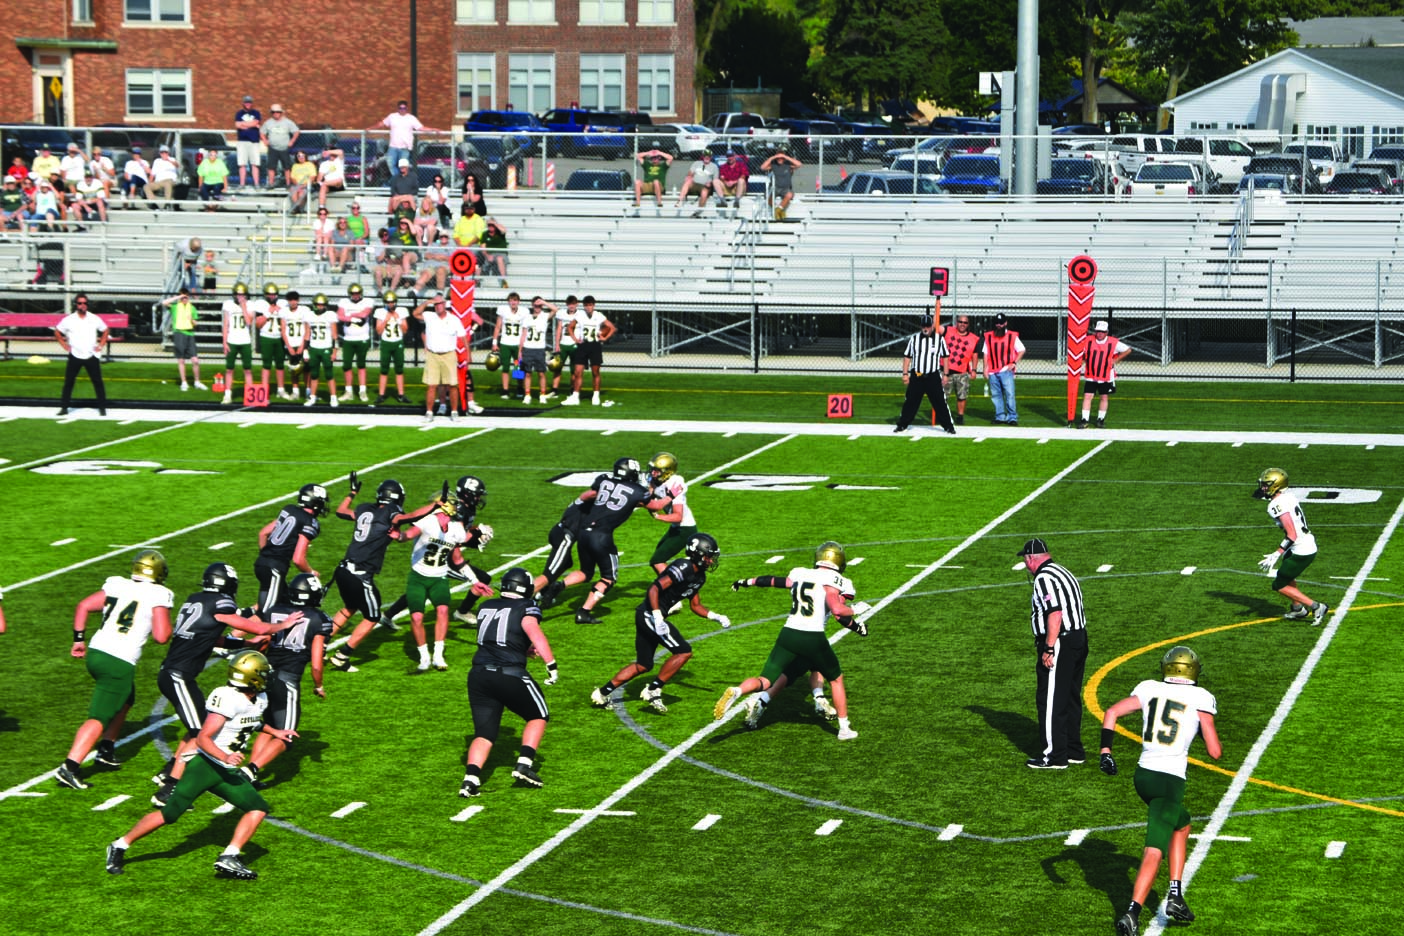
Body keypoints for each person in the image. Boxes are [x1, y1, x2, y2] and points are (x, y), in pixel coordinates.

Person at [104, 650, 294, 881]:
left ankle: (229, 856)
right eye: (263, 673)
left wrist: (275, 731)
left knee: (258, 808)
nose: (268, 676)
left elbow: (251, 721)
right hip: (205, 766)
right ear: (252, 678)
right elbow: (203, 737)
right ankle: (119, 845)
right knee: (169, 814)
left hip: (225, 771)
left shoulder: (258, 698)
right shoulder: (228, 697)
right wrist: (225, 757)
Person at [150, 564, 295, 808]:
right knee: (202, 734)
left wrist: (246, 644)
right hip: (178, 675)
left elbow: (209, 637)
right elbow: (258, 627)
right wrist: (281, 625)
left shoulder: (196, 598)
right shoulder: (220, 603)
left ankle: (170, 769)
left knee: (199, 725)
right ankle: (169, 788)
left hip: (176, 674)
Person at [1100, 646, 1221, 936]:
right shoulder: (1201, 697)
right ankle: (1132, 913)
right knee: (1154, 849)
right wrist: (1200, 726)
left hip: (1143, 777)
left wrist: (1106, 751)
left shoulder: (1149, 688)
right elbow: (1215, 752)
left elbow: (1112, 712)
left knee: (1183, 823)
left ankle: (1176, 894)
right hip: (1169, 781)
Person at [715, 541, 865, 740]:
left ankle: (738, 690)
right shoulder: (838, 581)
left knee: (765, 680)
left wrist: (747, 581)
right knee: (836, 679)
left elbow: (773, 581)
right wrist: (856, 613)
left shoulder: (800, 573)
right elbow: (838, 611)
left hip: (788, 634)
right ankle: (844, 728)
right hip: (812, 636)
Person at [55, 550, 174, 791]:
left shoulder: (117, 584)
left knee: (127, 697)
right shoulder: (160, 594)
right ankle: (70, 766)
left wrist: (78, 640)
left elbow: (83, 606)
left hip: (97, 652)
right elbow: (162, 637)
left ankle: (106, 749)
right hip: (119, 660)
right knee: (99, 716)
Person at [591, 533, 725, 714]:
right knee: (684, 651)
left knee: (643, 664)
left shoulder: (699, 576)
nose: (711, 561)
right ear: (697, 554)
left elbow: (695, 605)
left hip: (649, 615)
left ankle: (602, 693)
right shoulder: (683, 566)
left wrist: (715, 616)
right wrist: (657, 616)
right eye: (708, 557)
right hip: (649, 615)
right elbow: (654, 588)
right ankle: (653, 689)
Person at [459, 568, 558, 797]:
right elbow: (533, 631)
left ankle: (470, 780)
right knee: (538, 715)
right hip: (509, 673)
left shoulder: (486, 606)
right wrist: (551, 663)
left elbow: (497, 635)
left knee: (484, 733)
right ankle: (524, 764)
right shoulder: (526, 606)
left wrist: (523, 649)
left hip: (479, 674)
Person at [326, 477, 441, 672]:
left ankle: (320, 645)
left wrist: (352, 494)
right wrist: (435, 505)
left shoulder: (365, 508)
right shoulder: (390, 512)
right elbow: (411, 516)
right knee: (373, 616)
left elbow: (340, 511)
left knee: (350, 607)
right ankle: (342, 656)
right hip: (360, 572)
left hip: (343, 569)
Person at [243, 573, 333, 786]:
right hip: (288, 679)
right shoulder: (319, 618)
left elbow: (261, 641)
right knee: (287, 735)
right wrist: (318, 685)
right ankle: (249, 770)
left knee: (270, 725)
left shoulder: (274, 610)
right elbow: (317, 663)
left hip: (265, 676)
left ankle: (251, 775)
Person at [570, 458, 674, 625]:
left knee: (585, 572)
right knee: (608, 578)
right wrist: (671, 496)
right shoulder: (637, 490)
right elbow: (655, 506)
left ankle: (558, 586)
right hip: (601, 536)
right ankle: (584, 611)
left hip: (583, 533)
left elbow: (593, 495)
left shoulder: (604, 480)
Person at [1018, 537, 1088, 769]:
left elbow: (1055, 613)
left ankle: (1054, 756)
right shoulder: (1063, 571)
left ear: (1031, 558)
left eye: (1026, 560)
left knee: (1050, 700)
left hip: (1060, 642)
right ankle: (1073, 750)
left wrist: (1048, 648)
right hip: (1078, 638)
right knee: (1070, 696)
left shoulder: (1044, 578)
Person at [402, 501, 476, 671]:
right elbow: (408, 535)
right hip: (418, 577)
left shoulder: (456, 529)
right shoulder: (428, 521)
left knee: (443, 611)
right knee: (416, 617)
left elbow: (458, 559)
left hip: (439, 577)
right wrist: (398, 535)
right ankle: (424, 656)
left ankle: (438, 655)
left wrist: (475, 581)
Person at [1253, 468, 1329, 624]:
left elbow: (1291, 535)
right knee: (1287, 576)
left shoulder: (1275, 505)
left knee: (1279, 585)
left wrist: (1276, 554)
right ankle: (1298, 609)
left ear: (1276, 485)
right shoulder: (1288, 496)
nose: (1263, 488)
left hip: (1301, 549)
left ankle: (1316, 606)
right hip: (1302, 543)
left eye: (1266, 485)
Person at [253, 483, 326, 614]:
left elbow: (263, 533)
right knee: (267, 614)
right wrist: (311, 572)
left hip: (262, 563)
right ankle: (233, 619)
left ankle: (241, 618)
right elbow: (298, 559)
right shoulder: (310, 522)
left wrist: (265, 557)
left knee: (283, 603)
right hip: (275, 567)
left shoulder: (289, 509)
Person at [894, 308, 956, 434]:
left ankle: (948, 426)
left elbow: (945, 356)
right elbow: (907, 356)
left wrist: (946, 374)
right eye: (923, 326)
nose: (925, 328)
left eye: (928, 326)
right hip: (917, 375)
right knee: (911, 401)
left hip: (933, 376)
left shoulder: (939, 339)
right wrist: (905, 374)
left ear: (932, 326)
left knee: (940, 402)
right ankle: (902, 424)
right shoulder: (914, 339)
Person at [532, 493, 594, 609]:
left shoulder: (581, 502)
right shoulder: (588, 499)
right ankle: (517, 601)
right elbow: (589, 494)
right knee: (548, 575)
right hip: (565, 537)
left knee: (566, 563)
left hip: (559, 531)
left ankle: (542, 592)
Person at [414, 291, 468, 422]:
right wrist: (427, 302)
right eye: (435, 304)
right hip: (433, 355)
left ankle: (454, 412)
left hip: (449, 354)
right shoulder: (430, 316)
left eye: (440, 303)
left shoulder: (453, 319)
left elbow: (463, 337)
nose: (437, 306)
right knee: (431, 385)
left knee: (452, 385)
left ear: (445, 304)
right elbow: (415, 313)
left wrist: (468, 353)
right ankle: (429, 412)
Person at [55, 294, 108, 417]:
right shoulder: (69, 319)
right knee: (69, 382)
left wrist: (101, 345)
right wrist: (64, 345)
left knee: (98, 382)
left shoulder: (94, 318)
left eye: (85, 303)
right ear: (76, 304)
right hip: (75, 355)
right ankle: (64, 408)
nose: (82, 305)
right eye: (80, 303)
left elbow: (105, 330)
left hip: (91, 355)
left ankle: (102, 408)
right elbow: (57, 331)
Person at [645, 452, 697, 573]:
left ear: (667, 472)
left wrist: (658, 516)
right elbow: (651, 503)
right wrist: (650, 491)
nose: (653, 473)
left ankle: (673, 583)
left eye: (657, 471)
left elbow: (678, 516)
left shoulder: (675, 485)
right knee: (658, 557)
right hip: (676, 527)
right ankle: (670, 582)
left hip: (685, 528)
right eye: (653, 470)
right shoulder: (656, 482)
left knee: (657, 561)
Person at [1079, 320, 1133, 428]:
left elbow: (1127, 350)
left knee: (1104, 397)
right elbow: (1080, 351)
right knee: (1087, 396)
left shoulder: (1113, 342)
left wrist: (1116, 360)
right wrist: (1082, 360)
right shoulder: (1088, 340)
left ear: (1106, 332)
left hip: (1106, 375)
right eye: (1098, 331)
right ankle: (1084, 420)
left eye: (1102, 332)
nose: (1100, 334)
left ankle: (1100, 420)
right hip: (1091, 374)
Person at [562, 295, 615, 406]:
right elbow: (570, 327)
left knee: (595, 372)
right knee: (577, 372)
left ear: (593, 305)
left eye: (590, 305)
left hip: (595, 345)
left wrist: (605, 338)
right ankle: (575, 396)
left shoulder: (598, 315)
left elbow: (612, 327)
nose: (588, 307)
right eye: (586, 305)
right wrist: (575, 339)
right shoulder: (580, 315)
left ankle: (596, 395)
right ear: (584, 306)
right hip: (583, 345)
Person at [368, 99, 440, 173]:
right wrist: (370, 128)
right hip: (393, 147)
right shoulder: (392, 116)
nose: (402, 110)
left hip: (404, 148)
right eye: (400, 108)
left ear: (406, 108)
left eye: (404, 108)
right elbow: (381, 124)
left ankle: (402, 178)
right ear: (398, 108)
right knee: (390, 165)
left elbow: (421, 128)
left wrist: (433, 129)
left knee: (403, 166)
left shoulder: (411, 118)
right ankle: (397, 178)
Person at [981, 312, 1025, 426]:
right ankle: (1000, 416)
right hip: (992, 371)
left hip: (1006, 370)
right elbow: (986, 353)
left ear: (1005, 323)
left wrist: (1014, 363)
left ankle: (1012, 417)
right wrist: (985, 368)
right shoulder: (989, 336)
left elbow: (1022, 349)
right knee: (996, 395)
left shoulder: (1012, 336)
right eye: (997, 323)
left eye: (1001, 323)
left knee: (1009, 394)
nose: (999, 325)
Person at [159, 288, 206, 391]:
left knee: (195, 360)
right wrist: (178, 297)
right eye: (183, 297)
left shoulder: (192, 308)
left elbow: (196, 323)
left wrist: (191, 320)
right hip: (179, 333)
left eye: (186, 297)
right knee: (181, 360)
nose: (184, 299)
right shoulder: (175, 306)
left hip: (190, 334)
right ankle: (184, 382)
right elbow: (164, 302)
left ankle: (197, 382)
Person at [942, 310, 982, 426]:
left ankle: (960, 416)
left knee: (962, 395)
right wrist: (937, 306)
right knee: (942, 395)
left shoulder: (973, 338)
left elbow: (975, 354)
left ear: (968, 324)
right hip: (946, 371)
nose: (962, 324)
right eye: (960, 322)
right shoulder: (948, 330)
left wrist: (974, 370)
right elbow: (936, 327)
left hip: (962, 371)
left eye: (965, 322)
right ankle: (942, 414)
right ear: (957, 322)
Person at [373, 291, 413, 404]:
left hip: (398, 342)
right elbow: (379, 331)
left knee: (399, 369)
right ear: (384, 302)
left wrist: (398, 319)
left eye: (392, 302)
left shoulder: (402, 311)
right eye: (388, 302)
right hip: (386, 343)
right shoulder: (380, 312)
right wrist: (386, 320)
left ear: (396, 301)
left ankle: (401, 394)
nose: (390, 304)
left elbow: (405, 330)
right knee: (384, 369)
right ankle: (381, 395)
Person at [338, 283, 375, 403]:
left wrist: (349, 315)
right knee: (347, 365)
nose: (355, 295)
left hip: (362, 338)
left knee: (361, 365)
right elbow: (340, 316)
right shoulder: (344, 302)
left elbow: (365, 314)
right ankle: (348, 391)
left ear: (361, 293)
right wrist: (352, 318)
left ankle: (362, 390)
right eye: (353, 293)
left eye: (357, 293)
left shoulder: (367, 301)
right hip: (348, 339)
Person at [220, 282, 257, 405]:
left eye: (242, 294)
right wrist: (224, 342)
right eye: (238, 294)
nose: (240, 297)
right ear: (234, 294)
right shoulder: (228, 304)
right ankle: (227, 394)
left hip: (245, 341)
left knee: (248, 369)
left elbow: (249, 322)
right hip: (232, 340)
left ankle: (250, 395)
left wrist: (243, 306)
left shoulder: (250, 304)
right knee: (229, 369)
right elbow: (226, 325)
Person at [301, 293, 341, 406]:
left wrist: (334, 351)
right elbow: (307, 334)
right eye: (318, 304)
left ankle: (333, 397)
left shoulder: (330, 315)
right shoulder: (309, 316)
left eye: (322, 305)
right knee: (314, 374)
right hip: (313, 348)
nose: (320, 307)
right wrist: (305, 350)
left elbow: (334, 335)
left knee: (329, 374)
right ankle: (312, 397)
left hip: (326, 347)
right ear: (314, 305)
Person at [254, 282, 291, 400]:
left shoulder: (283, 304)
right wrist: (268, 313)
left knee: (280, 364)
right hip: (266, 337)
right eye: (269, 294)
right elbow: (258, 324)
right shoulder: (260, 304)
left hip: (280, 337)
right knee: (266, 365)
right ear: (265, 294)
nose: (272, 296)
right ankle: (264, 391)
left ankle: (281, 390)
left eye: (274, 294)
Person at [518, 296, 555, 404]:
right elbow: (524, 334)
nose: (537, 307)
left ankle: (542, 394)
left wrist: (544, 302)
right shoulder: (527, 317)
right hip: (528, 348)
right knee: (527, 373)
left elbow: (555, 309)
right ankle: (527, 394)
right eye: (536, 305)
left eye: (539, 306)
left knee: (541, 373)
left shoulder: (544, 316)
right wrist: (520, 350)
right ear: (532, 305)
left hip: (539, 349)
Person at [491, 292, 527, 401]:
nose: (513, 302)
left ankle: (519, 388)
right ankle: (505, 390)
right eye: (511, 300)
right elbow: (498, 327)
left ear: (518, 301)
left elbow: (525, 330)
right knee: (505, 367)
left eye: (515, 300)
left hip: (517, 344)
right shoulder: (503, 310)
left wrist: (522, 345)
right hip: (505, 343)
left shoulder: (524, 312)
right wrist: (494, 342)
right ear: (508, 301)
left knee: (518, 367)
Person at [260, 104, 299, 187]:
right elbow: (262, 132)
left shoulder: (288, 122)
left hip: (284, 148)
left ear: (281, 112)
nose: (275, 113)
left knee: (287, 167)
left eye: (277, 112)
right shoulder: (268, 122)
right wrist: (265, 140)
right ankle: (271, 183)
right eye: (273, 112)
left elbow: (296, 131)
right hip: (272, 148)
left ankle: (288, 184)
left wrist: (292, 141)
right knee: (271, 167)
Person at [280, 290, 307, 400]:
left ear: (298, 300)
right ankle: (295, 391)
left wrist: (303, 345)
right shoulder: (284, 311)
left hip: (302, 343)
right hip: (291, 344)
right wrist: (289, 347)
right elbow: (283, 331)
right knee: (293, 369)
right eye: (290, 300)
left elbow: (307, 329)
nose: (293, 302)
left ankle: (308, 392)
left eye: (295, 299)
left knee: (307, 369)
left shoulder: (304, 310)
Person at [760, 149, 802, 220]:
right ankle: (776, 209)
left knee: (789, 194)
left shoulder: (788, 164)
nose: (780, 159)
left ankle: (778, 210)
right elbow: (762, 167)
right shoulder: (773, 164)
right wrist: (773, 157)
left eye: (781, 158)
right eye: (778, 158)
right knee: (768, 196)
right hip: (775, 187)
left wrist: (785, 157)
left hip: (785, 188)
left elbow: (799, 164)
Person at [234, 95, 263, 188]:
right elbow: (237, 125)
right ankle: (242, 184)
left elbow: (256, 122)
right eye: (246, 102)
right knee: (242, 163)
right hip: (242, 141)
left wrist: (244, 124)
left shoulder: (256, 113)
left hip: (254, 142)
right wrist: (251, 125)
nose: (248, 104)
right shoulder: (239, 113)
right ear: (243, 103)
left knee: (255, 163)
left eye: (249, 102)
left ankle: (256, 184)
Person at [478, 216, 509, 286]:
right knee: (477, 263)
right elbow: (483, 247)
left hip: (501, 254)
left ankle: (503, 281)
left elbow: (504, 230)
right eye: (489, 225)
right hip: (490, 254)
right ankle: (478, 281)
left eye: (492, 225)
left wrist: (495, 223)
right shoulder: (485, 234)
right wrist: (487, 256)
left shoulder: (500, 232)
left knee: (499, 258)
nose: (490, 226)